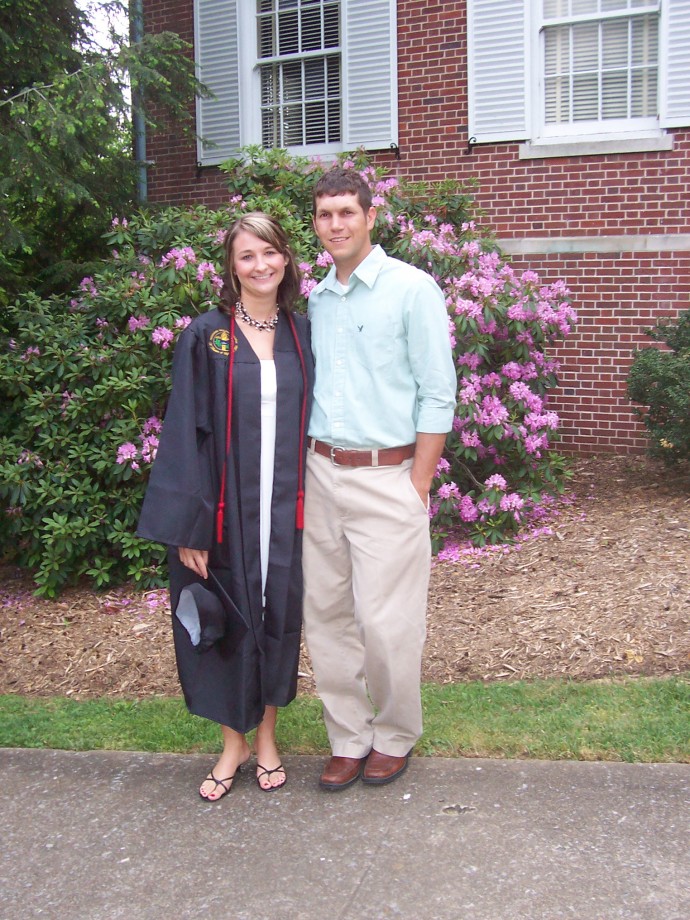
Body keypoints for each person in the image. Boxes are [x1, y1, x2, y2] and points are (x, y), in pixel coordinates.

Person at [138, 212, 313, 800]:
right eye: (246, 256)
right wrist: (190, 527)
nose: (260, 265)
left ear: (285, 259)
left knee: (275, 620)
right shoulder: (208, 335)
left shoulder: (301, 332)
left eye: (270, 252)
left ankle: (265, 737)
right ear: (231, 267)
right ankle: (231, 743)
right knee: (226, 621)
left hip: (285, 510)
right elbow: (185, 432)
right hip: (224, 514)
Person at [302, 167, 457, 790]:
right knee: (327, 615)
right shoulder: (314, 299)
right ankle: (348, 735)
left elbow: (438, 393)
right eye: (324, 214)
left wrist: (418, 482)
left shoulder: (412, 289)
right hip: (319, 473)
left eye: (346, 212)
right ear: (315, 224)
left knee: (387, 622)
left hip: (389, 475)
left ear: (371, 216)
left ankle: (394, 734)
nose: (335, 224)